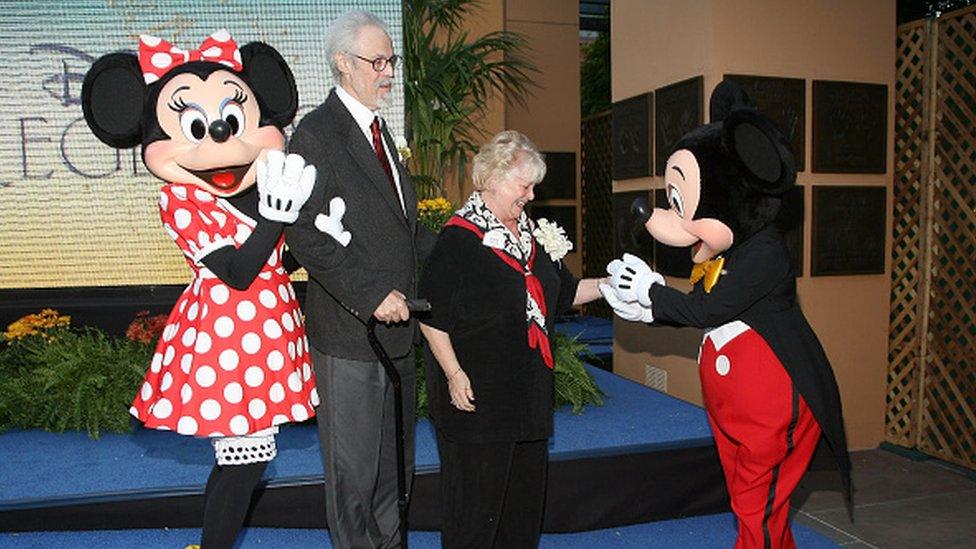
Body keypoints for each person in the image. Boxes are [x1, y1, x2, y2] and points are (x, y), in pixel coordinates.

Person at [284, 10, 435, 549]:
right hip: (351, 336)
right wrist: (371, 295)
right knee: (353, 478)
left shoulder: (379, 131)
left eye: (391, 60)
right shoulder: (317, 134)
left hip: (398, 334)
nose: (389, 71)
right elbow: (301, 232)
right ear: (343, 64)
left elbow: (399, 228)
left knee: (396, 471)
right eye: (378, 61)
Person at [418, 130, 605, 549]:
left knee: (521, 514)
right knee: (475, 515)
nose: (531, 194)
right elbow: (431, 316)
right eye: (525, 185)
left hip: (526, 394)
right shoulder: (458, 239)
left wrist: (612, 286)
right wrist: (453, 373)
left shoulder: (529, 234)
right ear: (493, 178)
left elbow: (564, 292)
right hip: (479, 397)